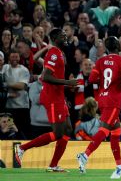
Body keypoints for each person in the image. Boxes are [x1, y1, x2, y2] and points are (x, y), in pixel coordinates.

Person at [14, 28, 78, 172]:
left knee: (68, 129)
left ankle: (53, 165)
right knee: (58, 133)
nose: (65, 37)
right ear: (55, 38)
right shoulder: (53, 53)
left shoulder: (59, 53)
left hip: (59, 96)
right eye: (62, 36)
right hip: (53, 97)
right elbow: (46, 77)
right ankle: (22, 148)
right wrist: (67, 83)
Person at [77, 36, 121, 179]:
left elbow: (91, 79)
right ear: (118, 46)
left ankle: (119, 165)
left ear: (108, 48)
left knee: (115, 133)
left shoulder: (100, 61)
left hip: (102, 99)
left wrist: (104, 80)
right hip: (113, 100)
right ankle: (84, 155)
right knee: (104, 130)